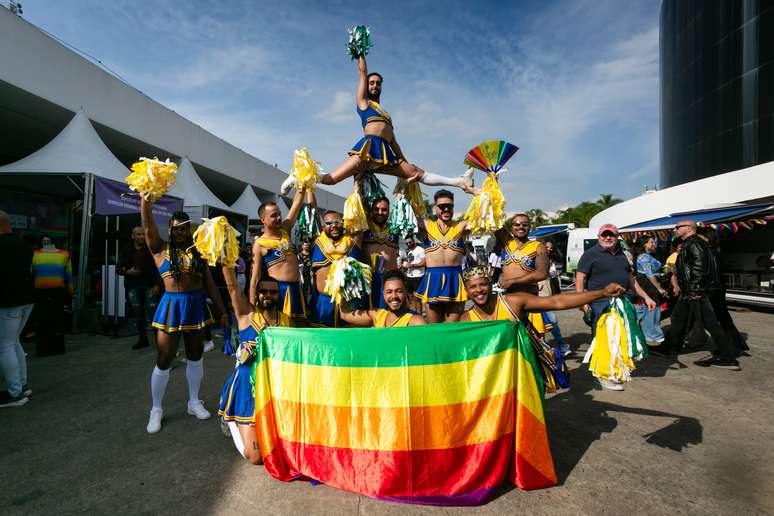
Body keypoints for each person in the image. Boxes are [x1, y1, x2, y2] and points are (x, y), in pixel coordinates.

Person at [281, 54, 474, 194]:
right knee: (332, 179)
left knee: (416, 172)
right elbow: (362, 72)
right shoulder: (363, 104)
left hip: (385, 154)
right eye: (371, 82)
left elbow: (394, 142)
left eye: (378, 83)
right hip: (367, 150)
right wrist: (361, 54)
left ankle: (460, 182)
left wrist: (404, 162)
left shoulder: (386, 114)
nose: (374, 85)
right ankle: (299, 176)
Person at [141, 199, 229, 433]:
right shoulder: (160, 249)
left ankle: (194, 402)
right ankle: (156, 409)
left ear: (188, 230)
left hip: (195, 306)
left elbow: (210, 285)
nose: (179, 232)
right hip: (171, 306)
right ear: (169, 229)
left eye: (183, 228)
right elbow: (148, 227)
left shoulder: (198, 253)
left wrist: (223, 311)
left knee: (195, 354)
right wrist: (145, 202)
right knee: (165, 358)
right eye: (175, 228)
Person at [218, 267, 291, 465]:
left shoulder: (286, 322)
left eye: (273, 291)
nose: (268, 295)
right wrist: (224, 253)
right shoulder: (247, 315)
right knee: (257, 457)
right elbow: (232, 287)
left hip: (273, 387)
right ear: (257, 294)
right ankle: (230, 419)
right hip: (247, 388)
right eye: (263, 291)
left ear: (279, 294)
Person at [575, 224, 656, 389]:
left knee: (621, 338)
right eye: (604, 235)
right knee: (603, 339)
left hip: (622, 301)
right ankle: (603, 375)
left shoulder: (623, 256)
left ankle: (615, 369)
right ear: (599, 236)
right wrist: (582, 301)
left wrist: (646, 297)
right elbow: (580, 279)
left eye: (611, 235)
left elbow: (632, 280)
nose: (607, 238)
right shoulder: (590, 255)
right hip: (599, 302)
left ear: (617, 237)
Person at [666, 220, 740, 370]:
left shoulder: (693, 243)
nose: (675, 229)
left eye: (678, 227)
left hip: (695, 293)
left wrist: (694, 290)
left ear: (688, 228)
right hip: (690, 292)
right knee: (678, 319)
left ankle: (728, 357)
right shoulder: (694, 243)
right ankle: (669, 347)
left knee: (711, 323)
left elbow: (699, 268)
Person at [460, 265, 624, 325]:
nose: (479, 290)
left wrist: (602, 292)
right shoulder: (465, 320)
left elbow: (556, 302)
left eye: (483, 284)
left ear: (491, 285)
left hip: (521, 373)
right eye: (473, 287)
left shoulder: (512, 302)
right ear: (467, 292)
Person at [414, 190, 475, 323]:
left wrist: (481, 194)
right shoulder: (427, 225)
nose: (446, 209)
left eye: (450, 206)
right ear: (435, 208)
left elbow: (484, 219)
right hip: (432, 281)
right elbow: (406, 215)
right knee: (435, 329)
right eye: (442, 206)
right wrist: (405, 188)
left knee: (452, 329)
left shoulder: (461, 226)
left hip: (455, 280)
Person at [250, 187, 309, 324]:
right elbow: (255, 278)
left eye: (279, 214)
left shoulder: (285, 230)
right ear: (263, 219)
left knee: (299, 328)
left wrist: (302, 183)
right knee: (281, 329)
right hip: (278, 291)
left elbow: (296, 204)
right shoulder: (259, 244)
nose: (279, 218)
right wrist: (252, 306)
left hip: (296, 290)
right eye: (274, 215)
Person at [0, 210, 34, 407]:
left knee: (5, 345)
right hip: (26, 298)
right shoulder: (24, 244)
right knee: (13, 342)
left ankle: (15, 392)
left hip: (9, 301)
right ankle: (21, 385)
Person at [309, 210, 366, 327]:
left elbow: (360, 217)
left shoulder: (353, 242)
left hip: (349, 303)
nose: (334, 225)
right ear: (322, 225)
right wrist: (309, 190)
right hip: (322, 303)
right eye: (329, 223)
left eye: (338, 222)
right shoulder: (316, 242)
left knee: (349, 341)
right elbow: (312, 209)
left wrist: (356, 193)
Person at [697, 226, 748, 356]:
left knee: (719, 320)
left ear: (706, 237)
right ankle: (735, 345)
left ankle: (730, 349)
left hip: (715, 290)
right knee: (723, 318)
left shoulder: (711, 252)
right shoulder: (716, 251)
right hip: (719, 288)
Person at [498, 214, 550, 335]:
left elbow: (542, 273)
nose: (520, 227)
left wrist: (513, 281)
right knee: (511, 334)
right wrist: (483, 197)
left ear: (529, 227)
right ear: (511, 227)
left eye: (524, 224)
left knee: (533, 337)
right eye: (517, 224)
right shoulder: (505, 242)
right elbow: (494, 221)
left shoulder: (538, 246)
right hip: (509, 297)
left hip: (529, 298)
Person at [116, 226, 162, 350]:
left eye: (143, 234)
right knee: (138, 313)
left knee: (152, 313)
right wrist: (128, 272)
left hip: (149, 285)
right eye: (138, 234)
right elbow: (118, 269)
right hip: (133, 286)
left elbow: (159, 268)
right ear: (133, 236)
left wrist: (157, 284)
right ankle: (143, 339)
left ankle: (160, 341)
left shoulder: (150, 250)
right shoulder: (127, 250)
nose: (141, 236)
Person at [31, 235, 73, 356]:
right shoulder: (34, 254)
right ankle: (44, 349)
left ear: (52, 241)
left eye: (48, 241)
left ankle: (56, 348)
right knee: (43, 321)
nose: (46, 242)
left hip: (57, 291)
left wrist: (70, 290)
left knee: (57, 320)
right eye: (43, 241)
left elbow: (69, 275)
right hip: (41, 292)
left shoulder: (65, 254)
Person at [339, 270, 427, 327]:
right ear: (383, 295)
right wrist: (342, 285)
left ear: (406, 293)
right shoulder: (377, 315)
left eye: (399, 291)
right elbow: (344, 315)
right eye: (389, 292)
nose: (394, 296)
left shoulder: (415, 321)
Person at [631, 234, 668, 347]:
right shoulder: (644, 257)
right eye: (651, 242)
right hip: (648, 286)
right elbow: (649, 274)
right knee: (652, 310)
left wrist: (663, 272)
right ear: (644, 244)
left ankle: (650, 335)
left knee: (649, 310)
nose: (654, 244)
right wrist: (659, 288)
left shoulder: (646, 256)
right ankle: (653, 337)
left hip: (648, 284)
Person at [363, 196, 399, 308]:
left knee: (390, 318)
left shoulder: (395, 227)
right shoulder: (363, 227)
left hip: (390, 281)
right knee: (370, 317)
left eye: (384, 210)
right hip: (368, 281)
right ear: (370, 210)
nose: (380, 212)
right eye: (376, 209)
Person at [398, 235, 425, 311]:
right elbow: (409, 262)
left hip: (418, 277)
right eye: (407, 243)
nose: (409, 244)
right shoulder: (409, 251)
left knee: (417, 299)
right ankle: (414, 315)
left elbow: (424, 263)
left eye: (410, 242)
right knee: (411, 298)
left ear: (414, 241)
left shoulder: (420, 250)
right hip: (409, 276)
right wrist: (403, 266)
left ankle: (419, 316)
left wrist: (412, 265)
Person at [297, 239, 314, 305]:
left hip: (311, 275)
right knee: (303, 290)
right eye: (305, 245)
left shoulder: (312, 255)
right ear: (302, 246)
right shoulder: (299, 255)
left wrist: (312, 270)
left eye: (308, 245)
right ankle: (304, 305)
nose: (307, 246)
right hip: (303, 275)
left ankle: (310, 305)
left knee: (311, 291)